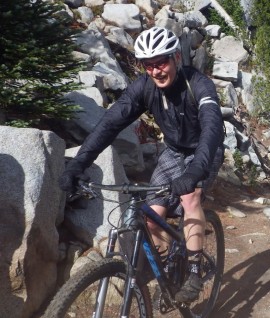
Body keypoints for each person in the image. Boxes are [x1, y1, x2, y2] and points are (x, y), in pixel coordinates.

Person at [59, 26, 225, 302]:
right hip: (174, 152)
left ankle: (195, 273)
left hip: (205, 150)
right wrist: (78, 164)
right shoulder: (144, 87)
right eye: (149, 65)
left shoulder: (198, 84)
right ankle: (171, 267)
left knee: (190, 196)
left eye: (161, 62)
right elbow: (109, 125)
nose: (156, 70)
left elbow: (211, 128)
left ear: (176, 58)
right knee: (151, 215)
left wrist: (196, 171)